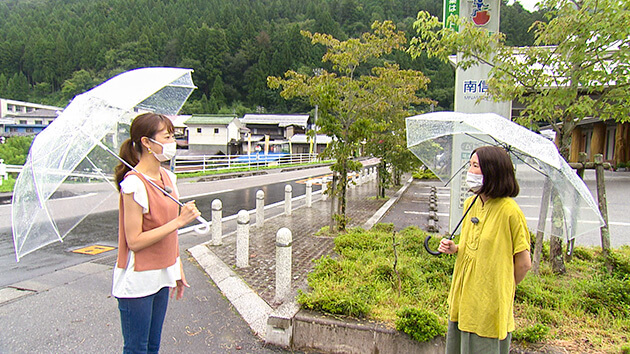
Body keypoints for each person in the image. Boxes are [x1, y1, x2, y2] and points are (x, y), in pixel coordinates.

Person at [112, 112, 200, 354]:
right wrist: (179, 221)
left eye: (173, 136)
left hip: (162, 275)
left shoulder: (167, 177)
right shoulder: (133, 185)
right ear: (146, 143)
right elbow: (135, 241)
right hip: (137, 281)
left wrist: (176, 266)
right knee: (137, 349)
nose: (173, 142)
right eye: (167, 136)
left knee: (153, 347)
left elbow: (169, 233)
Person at [438, 146, 532, 354]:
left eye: (475, 166)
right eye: (469, 165)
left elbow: (524, 263)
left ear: (492, 171)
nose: (470, 172)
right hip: (464, 298)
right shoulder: (471, 204)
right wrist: (455, 248)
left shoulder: (510, 211)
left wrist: (500, 287)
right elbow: (474, 247)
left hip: (489, 304)